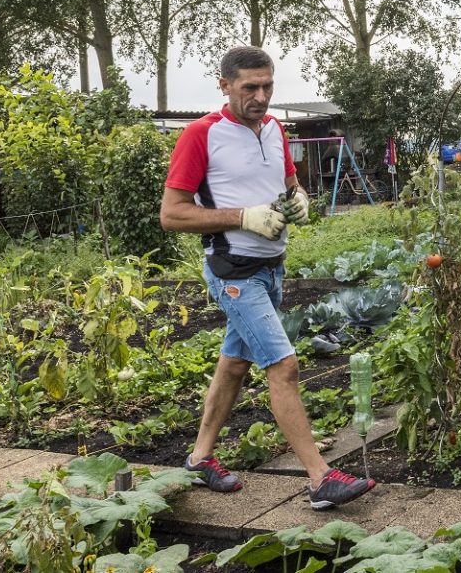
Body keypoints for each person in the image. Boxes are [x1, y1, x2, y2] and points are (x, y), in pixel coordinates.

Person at [159, 45, 376, 510]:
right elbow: (172, 214)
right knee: (284, 365)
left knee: (234, 364)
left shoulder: (275, 129)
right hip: (232, 270)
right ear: (224, 86)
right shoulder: (201, 135)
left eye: (267, 86)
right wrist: (241, 217)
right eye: (249, 87)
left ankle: (199, 458)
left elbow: (287, 181)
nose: (261, 96)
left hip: (272, 268)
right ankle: (320, 480)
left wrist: (297, 197)